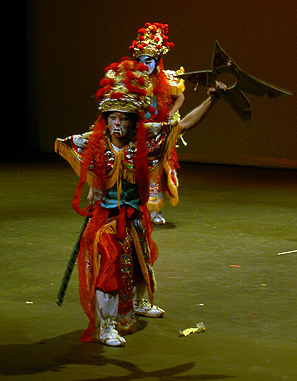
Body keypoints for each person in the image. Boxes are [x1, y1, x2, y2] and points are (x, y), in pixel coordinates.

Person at [55, 58, 223, 346]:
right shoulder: (92, 143)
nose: (117, 124)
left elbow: (183, 125)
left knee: (139, 260)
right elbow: (65, 145)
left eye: (123, 118)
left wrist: (212, 100)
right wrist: (94, 187)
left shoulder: (145, 141)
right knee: (109, 268)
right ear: (105, 118)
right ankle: (106, 325)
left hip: (134, 216)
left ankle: (139, 303)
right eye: (112, 117)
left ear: (133, 121)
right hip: (106, 220)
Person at [129, 23, 185, 225]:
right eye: (142, 60)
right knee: (135, 170)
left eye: (150, 60)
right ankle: (136, 209)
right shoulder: (133, 80)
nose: (146, 64)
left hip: (159, 131)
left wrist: (171, 113)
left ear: (157, 60)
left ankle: (154, 212)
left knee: (156, 172)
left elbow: (180, 97)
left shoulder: (166, 79)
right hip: (138, 132)